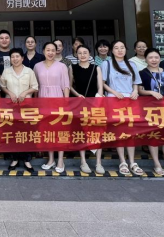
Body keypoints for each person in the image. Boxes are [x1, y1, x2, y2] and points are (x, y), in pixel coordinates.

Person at [101, 40, 144, 177]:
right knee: (119, 131)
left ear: (126, 49)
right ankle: (122, 161)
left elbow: (136, 82)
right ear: (112, 51)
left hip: (130, 100)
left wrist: (135, 91)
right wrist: (114, 92)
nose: (119, 50)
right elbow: (102, 83)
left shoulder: (132, 64)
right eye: (116, 48)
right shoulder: (107, 64)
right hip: (114, 100)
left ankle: (132, 162)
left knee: (130, 132)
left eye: (122, 47)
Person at [138, 48, 164, 177]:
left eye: (156, 57)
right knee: (153, 135)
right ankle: (157, 164)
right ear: (145, 59)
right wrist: (151, 92)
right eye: (150, 57)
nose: (154, 60)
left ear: (160, 58)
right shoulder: (142, 73)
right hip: (150, 108)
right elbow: (140, 90)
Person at [1, 48, 39, 174]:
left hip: (26, 106)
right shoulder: (6, 71)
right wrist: (9, 92)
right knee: (12, 132)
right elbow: (2, 85)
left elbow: (35, 86)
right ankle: (15, 159)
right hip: (10, 106)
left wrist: (25, 92)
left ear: (22, 58)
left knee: (26, 133)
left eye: (17, 56)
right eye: (12, 57)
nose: (15, 59)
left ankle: (27, 160)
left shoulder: (29, 71)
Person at [68, 44, 105, 174]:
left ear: (89, 54)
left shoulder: (96, 68)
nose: (82, 55)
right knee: (81, 132)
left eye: (85, 53)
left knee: (97, 133)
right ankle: (83, 162)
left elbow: (100, 86)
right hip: (80, 103)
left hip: (95, 104)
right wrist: (77, 95)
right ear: (76, 55)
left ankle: (98, 163)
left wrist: (98, 100)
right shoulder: (72, 67)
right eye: (80, 53)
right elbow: (69, 86)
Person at [33, 43, 69, 173]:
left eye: (53, 50)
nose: (50, 52)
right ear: (43, 51)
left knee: (59, 131)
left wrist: (66, 103)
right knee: (47, 131)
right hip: (42, 100)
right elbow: (35, 86)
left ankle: (60, 160)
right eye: (48, 50)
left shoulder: (62, 66)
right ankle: (51, 159)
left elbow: (66, 85)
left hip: (57, 99)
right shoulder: (37, 66)